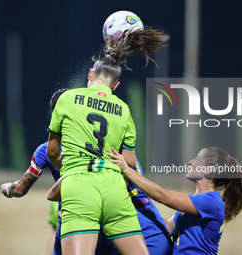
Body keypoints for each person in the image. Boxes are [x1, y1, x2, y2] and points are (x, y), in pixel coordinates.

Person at [46, 27, 169, 255]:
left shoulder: (67, 98)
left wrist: (68, 168)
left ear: (90, 74)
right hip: (114, 190)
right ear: (116, 86)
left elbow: (52, 151)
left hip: (80, 187)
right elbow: (129, 161)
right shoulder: (123, 109)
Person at [107, 146, 242, 254]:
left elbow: (163, 196)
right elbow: (167, 227)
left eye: (196, 159)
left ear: (208, 170)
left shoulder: (211, 202)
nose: (190, 162)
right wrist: (135, 203)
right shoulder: (195, 204)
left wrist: (127, 170)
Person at [47, 158, 172, 255]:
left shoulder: (99, 162)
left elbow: (51, 194)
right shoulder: (121, 160)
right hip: (154, 234)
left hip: (142, 237)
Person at [0, 88, 69, 255]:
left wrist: (10, 188)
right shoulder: (98, 144)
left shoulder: (46, 150)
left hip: (70, 217)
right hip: (103, 213)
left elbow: (20, 189)